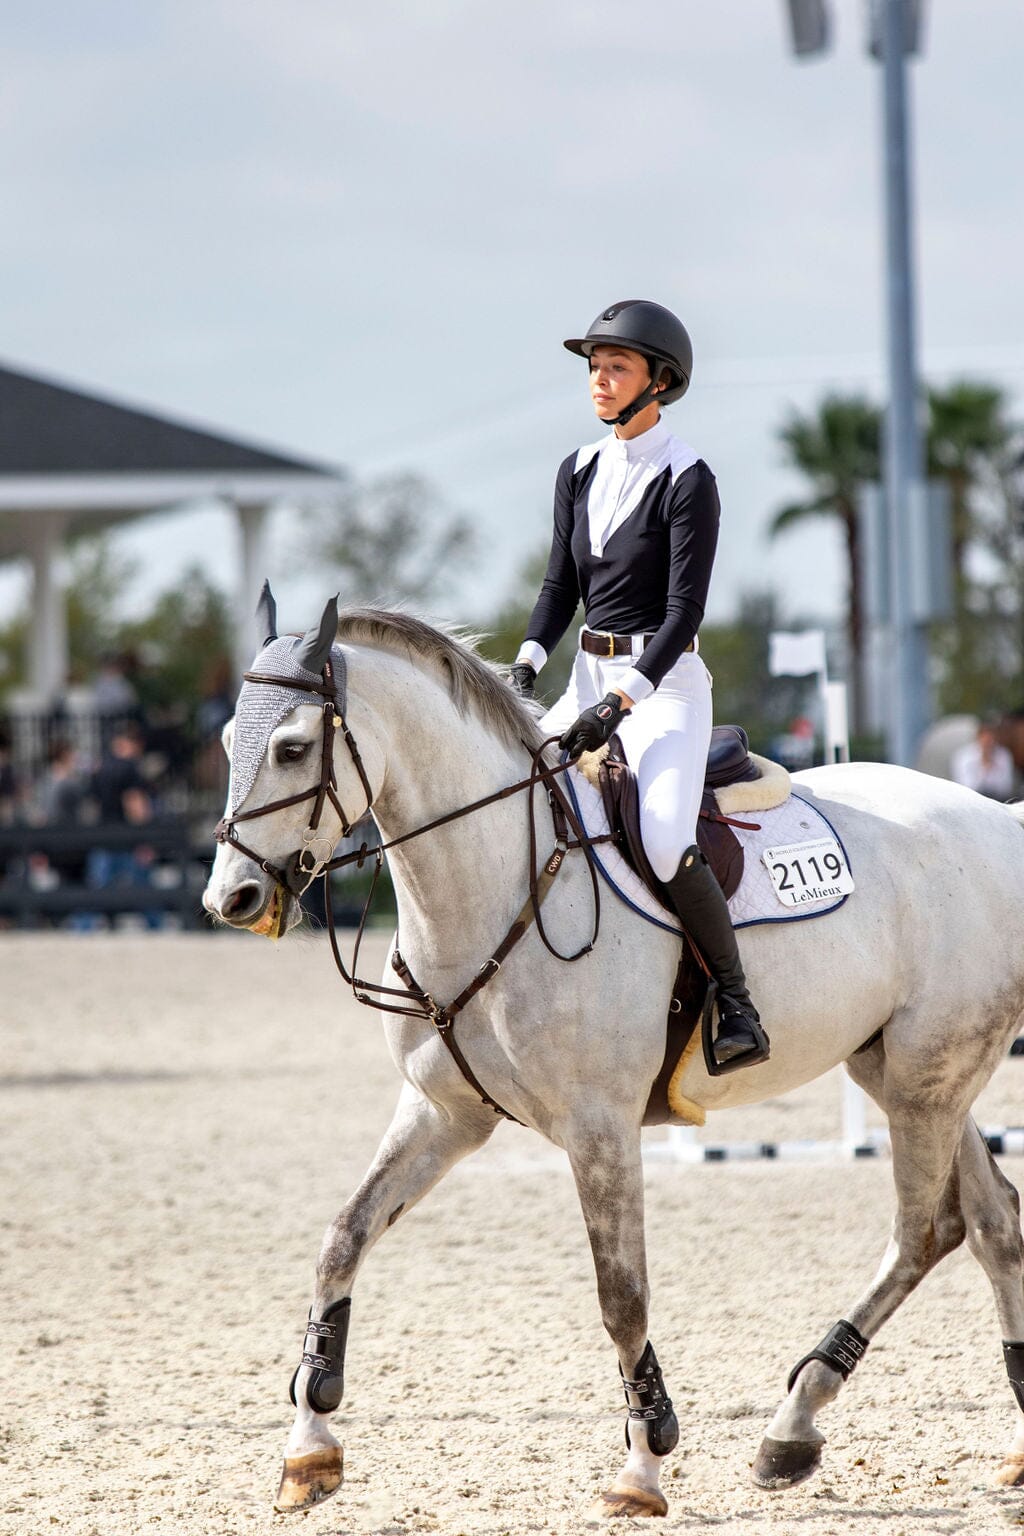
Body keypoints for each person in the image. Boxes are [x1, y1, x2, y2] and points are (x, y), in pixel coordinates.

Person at [509, 299, 767, 1072]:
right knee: (509, 792)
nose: (599, 379)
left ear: (659, 381)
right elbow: (559, 589)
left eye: (615, 367)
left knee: (661, 836)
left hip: (665, 687)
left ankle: (737, 1002)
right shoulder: (578, 469)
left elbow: (685, 613)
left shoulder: (688, 477)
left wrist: (622, 701)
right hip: (584, 675)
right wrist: (523, 665)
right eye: (594, 366)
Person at [951, 718, 1016, 801]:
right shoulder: (964, 756)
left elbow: (1005, 787)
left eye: (991, 738)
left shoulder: (1003, 755)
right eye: (985, 738)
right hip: (971, 799)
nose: (988, 742)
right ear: (978, 737)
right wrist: (983, 767)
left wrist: (992, 766)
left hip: (997, 800)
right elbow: (964, 785)